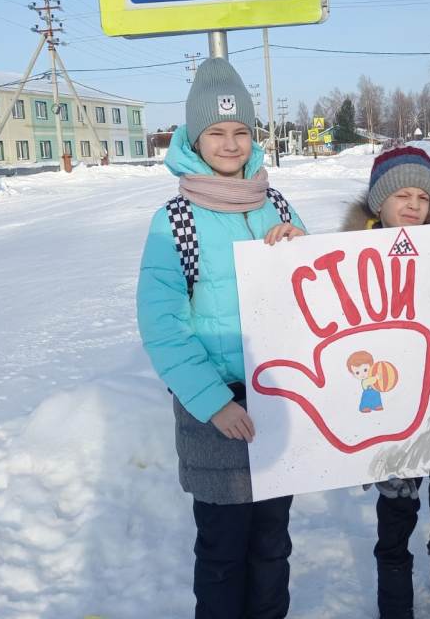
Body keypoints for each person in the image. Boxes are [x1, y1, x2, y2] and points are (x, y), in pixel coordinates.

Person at [136, 57, 306, 619]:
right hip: (216, 409)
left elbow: (320, 297)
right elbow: (163, 328)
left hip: (279, 396)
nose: (230, 144)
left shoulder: (276, 203)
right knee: (223, 551)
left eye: (240, 132)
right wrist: (213, 403)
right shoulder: (175, 220)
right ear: (194, 137)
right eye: (216, 132)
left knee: (272, 545)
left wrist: (301, 247)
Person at [340, 145, 430, 619]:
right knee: (396, 510)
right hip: (392, 402)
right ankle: (393, 594)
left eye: (423, 194)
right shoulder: (348, 251)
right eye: (402, 193)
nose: (415, 203)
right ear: (379, 201)